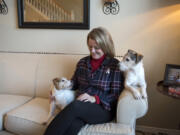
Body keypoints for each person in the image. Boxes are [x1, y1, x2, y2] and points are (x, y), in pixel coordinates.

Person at [44, 27, 124, 135]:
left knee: (75, 106)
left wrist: (94, 98)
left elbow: (116, 95)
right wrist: (56, 91)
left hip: (103, 108)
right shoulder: (82, 63)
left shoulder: (114, 65)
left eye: (97, 47)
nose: (92, 51)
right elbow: (73, 84)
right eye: (90, 47)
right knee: (74, 124)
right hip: (82, 107)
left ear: (105, 46)